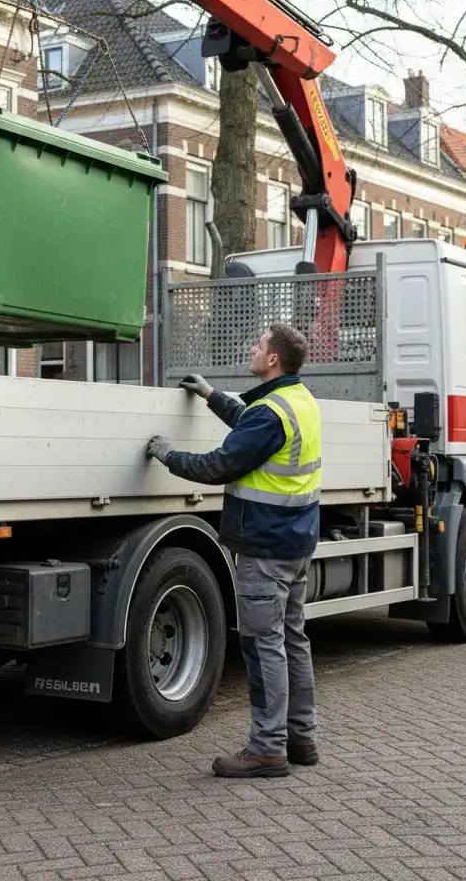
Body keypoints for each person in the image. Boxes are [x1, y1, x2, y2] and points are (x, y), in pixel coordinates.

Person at [145, 322, 321, 779]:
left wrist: (166, 455)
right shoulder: (297, 400)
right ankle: (301, 738)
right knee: (292, 641)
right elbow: (252, 422)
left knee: (265, 648)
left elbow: (219, 465)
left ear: (273, 360)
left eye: (259, 344)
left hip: (264, 546)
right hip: (295, 541)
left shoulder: (270, 413)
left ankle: (267, 749)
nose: (252, 346)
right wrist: (210, 394)